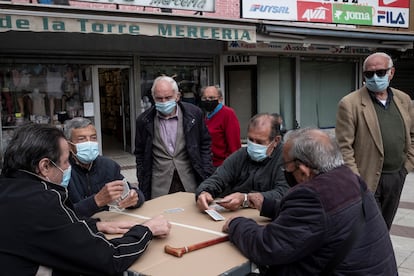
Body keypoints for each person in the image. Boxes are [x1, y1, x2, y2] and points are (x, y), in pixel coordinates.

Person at [0, 123, 171, 275]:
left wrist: (96, 224)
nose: (68, 168)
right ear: (45, 166)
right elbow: (109, 258)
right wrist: (147, 230)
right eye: (65, 162)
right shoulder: (43, 199)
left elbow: (60, 226)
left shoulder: (11, 187)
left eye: (93, 138)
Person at [223, 127, 397, 275]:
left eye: (286, 166)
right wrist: (267, 205)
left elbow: (268, 246)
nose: (285, 170)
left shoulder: (312, 195)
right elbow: (321, 218)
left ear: (304, 169)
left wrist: (236, 224)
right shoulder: (348, 177)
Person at [336, 52, 414, 230]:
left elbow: (412, 134)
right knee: (371, 228)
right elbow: (344, 147)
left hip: (396, 175)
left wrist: (407, 166)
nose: (375, 78)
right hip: (368, 178)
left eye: (380, 72)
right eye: (369, 74)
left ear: (391, 73)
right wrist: (357, 179)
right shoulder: (350, 103)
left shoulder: (403, 100)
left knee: (385, 226)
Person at [134, 76, 214, 200]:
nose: (164, 102)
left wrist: (207, 173)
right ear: (153, 98)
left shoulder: (194, 114)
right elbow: (140, 153)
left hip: (190, 182)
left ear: (177, 96)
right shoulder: (144, 121)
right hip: (159, 186)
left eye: (168, 98)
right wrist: (142, 179)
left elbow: (205, 144)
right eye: (159, 99)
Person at [196, 113, 289, 212]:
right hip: (235, 215)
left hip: (269, 215)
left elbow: (283, 192)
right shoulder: (241, 155)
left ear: (276, 141)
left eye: (260, 142)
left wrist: (246, 199)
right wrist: (204, 192)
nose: (254, 145)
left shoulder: (286, 159)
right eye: (251, 139)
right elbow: (218, 178)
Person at [64, 117, 145, 218]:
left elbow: (131, 191)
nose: (89, 143)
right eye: (82, 139)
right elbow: (62, 214)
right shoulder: (62, 171)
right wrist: (96, 201)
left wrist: (135, 198)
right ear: (69, 145)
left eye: (93, 138)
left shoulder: (109, 166)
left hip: (110, 223)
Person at [200, 85, 241, 167]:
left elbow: (234, 144)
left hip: (222, 165)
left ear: (220, 99)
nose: (208, 101)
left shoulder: (228, 114)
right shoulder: (203, 114)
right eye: (205, 98)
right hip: (206, 164)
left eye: (211, 98)